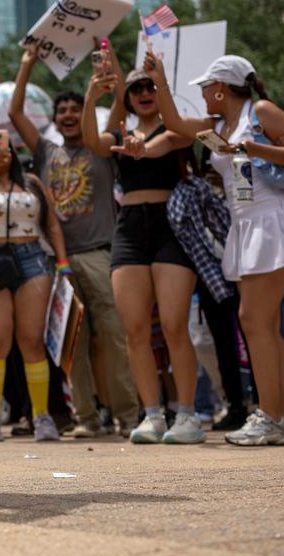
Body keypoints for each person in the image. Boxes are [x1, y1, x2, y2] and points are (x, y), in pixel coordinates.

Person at [145, 53, 284, 445]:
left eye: (206, 88)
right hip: (245, 224)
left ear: (221, 88)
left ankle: (272, 416)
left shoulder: (261, 111)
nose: (204, 94)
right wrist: (159, 80)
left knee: (253, 319)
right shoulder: (217, 124)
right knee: (264, 325)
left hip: (273, 218)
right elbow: (173, 124)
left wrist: (254, 148)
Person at [10, 43, 139, 438]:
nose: (68, 117)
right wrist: (27, 65)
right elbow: (15, 114)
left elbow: (121, 101)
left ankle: (129, 416)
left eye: (73, 111)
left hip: (101, 256)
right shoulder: (46, 151)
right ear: (54, 121)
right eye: (61, 113)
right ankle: (85, 418)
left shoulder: (102, 148)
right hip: (58, 263)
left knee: (115, 338)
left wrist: (109, 65)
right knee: (72, 345)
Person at [82, 63, 204, 444]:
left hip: (171, 226)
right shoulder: (120, 131)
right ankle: (152, 415)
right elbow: (92, 142)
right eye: (136, 88)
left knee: (173, 325)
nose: (144, 92)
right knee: (133, 330)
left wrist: (142, 146)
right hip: (130, 229)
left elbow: (159, 146)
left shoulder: (178, 127)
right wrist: (91, 96)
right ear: (128, 97)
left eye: (150, 85)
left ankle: (187, 415)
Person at [0, 136, 67, 442]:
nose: (1, 154)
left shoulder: (33, 182)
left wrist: (63, 264)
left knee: (32, 341)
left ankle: (42, 416)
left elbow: (51, 225)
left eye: (6, 149)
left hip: (32, 260)